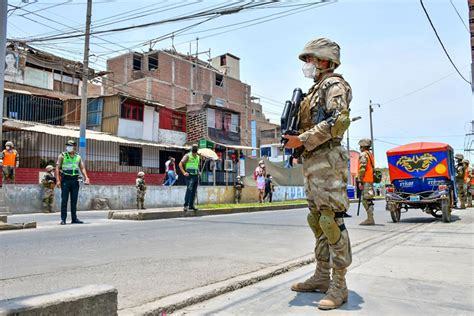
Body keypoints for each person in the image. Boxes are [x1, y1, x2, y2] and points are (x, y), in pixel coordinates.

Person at [284, 38, 352, 310]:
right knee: (316, 219)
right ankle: (322, 276)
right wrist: (297, 146)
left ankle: (339, 284)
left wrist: (302, 140)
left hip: (328, 162)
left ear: (324, 61)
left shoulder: (335, 85)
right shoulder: (313, 91)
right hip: (313, 162)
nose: (308, 65)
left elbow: (338, 122)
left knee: (331, 220)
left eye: (311, 60)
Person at [56, 140, 90, 225]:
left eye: (70, 145)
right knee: (64, 199)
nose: (68, 147)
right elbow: (57, 168)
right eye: (68, 145)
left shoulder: (78, 156)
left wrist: (86, 177)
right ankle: (63, 219)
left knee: (74, 200)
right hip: (65, 179)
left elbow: (82, 168)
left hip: (75, 180)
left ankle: (74, 218)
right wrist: (58, 180)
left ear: (74, 147)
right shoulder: (62, 156)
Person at [357, 139, 376, 225]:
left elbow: (362, 168)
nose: (360, 148)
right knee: (369, 200)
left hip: (365, 180)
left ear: (363, 146)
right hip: (370, 180)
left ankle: (370, 219)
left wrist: (360, 180)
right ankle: (370, 218)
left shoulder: (363, 154)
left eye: (360, 146)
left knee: (365, 200)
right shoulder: (369, 154)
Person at [179, 144, 200, 213]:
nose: (195, 149)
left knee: (194, 191)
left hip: (195, 175)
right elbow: (180, 164)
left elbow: (196, 166)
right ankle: (185, 205)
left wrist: (198, 172)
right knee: (189, 190)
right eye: (194, 148)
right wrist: (184, 172)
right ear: (192, 149)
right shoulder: (187, 155)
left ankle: (191, 205)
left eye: (196, 148)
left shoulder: (198, 157)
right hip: (189, 176)